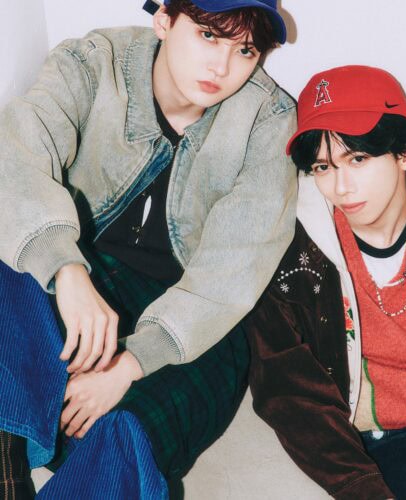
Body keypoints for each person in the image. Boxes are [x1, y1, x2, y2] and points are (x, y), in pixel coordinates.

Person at [0, 0, 296, 497]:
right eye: (208, 35)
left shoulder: (267, 121)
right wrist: (66, 269)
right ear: (164, 20)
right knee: (11, 267)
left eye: (245, 50)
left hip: (192, 322)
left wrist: (129, 365)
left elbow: (235, 269)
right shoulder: (93, 63)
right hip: (87, 277)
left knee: (128, 438)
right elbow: (16, 156)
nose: (221, 67)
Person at [244, 65, 406, 499]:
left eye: (358, 159)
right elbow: (287, 390)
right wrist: (359, 487)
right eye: (323, 166)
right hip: (396, 443)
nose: (341, 186)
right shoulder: (290, 256)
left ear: (405, 154)